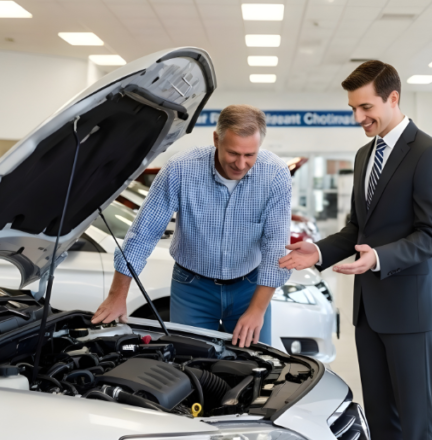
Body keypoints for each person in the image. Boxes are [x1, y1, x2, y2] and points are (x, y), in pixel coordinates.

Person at [279, 61, 432, 440]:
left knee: (416, 425)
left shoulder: (429, 154)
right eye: (355, 108)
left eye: (366, 106)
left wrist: (378, 259)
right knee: (381, 419)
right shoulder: (364, 155)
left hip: (409, 309)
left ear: (393, 98)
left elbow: (431, 236)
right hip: (368, 310)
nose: (359, 116)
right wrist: (316, 250)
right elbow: (357, 230)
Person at [92, 105, 291, 348]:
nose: (240, 164)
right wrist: (117, 295)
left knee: (254, 365)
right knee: (190, 366)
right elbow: (143, 233)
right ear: (216, 139)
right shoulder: (180, 169)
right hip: (192, 289)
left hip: (249, 288)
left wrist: (257, 310)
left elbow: (275, 248)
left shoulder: (275, 174)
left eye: (250, 155)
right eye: (233, 153)